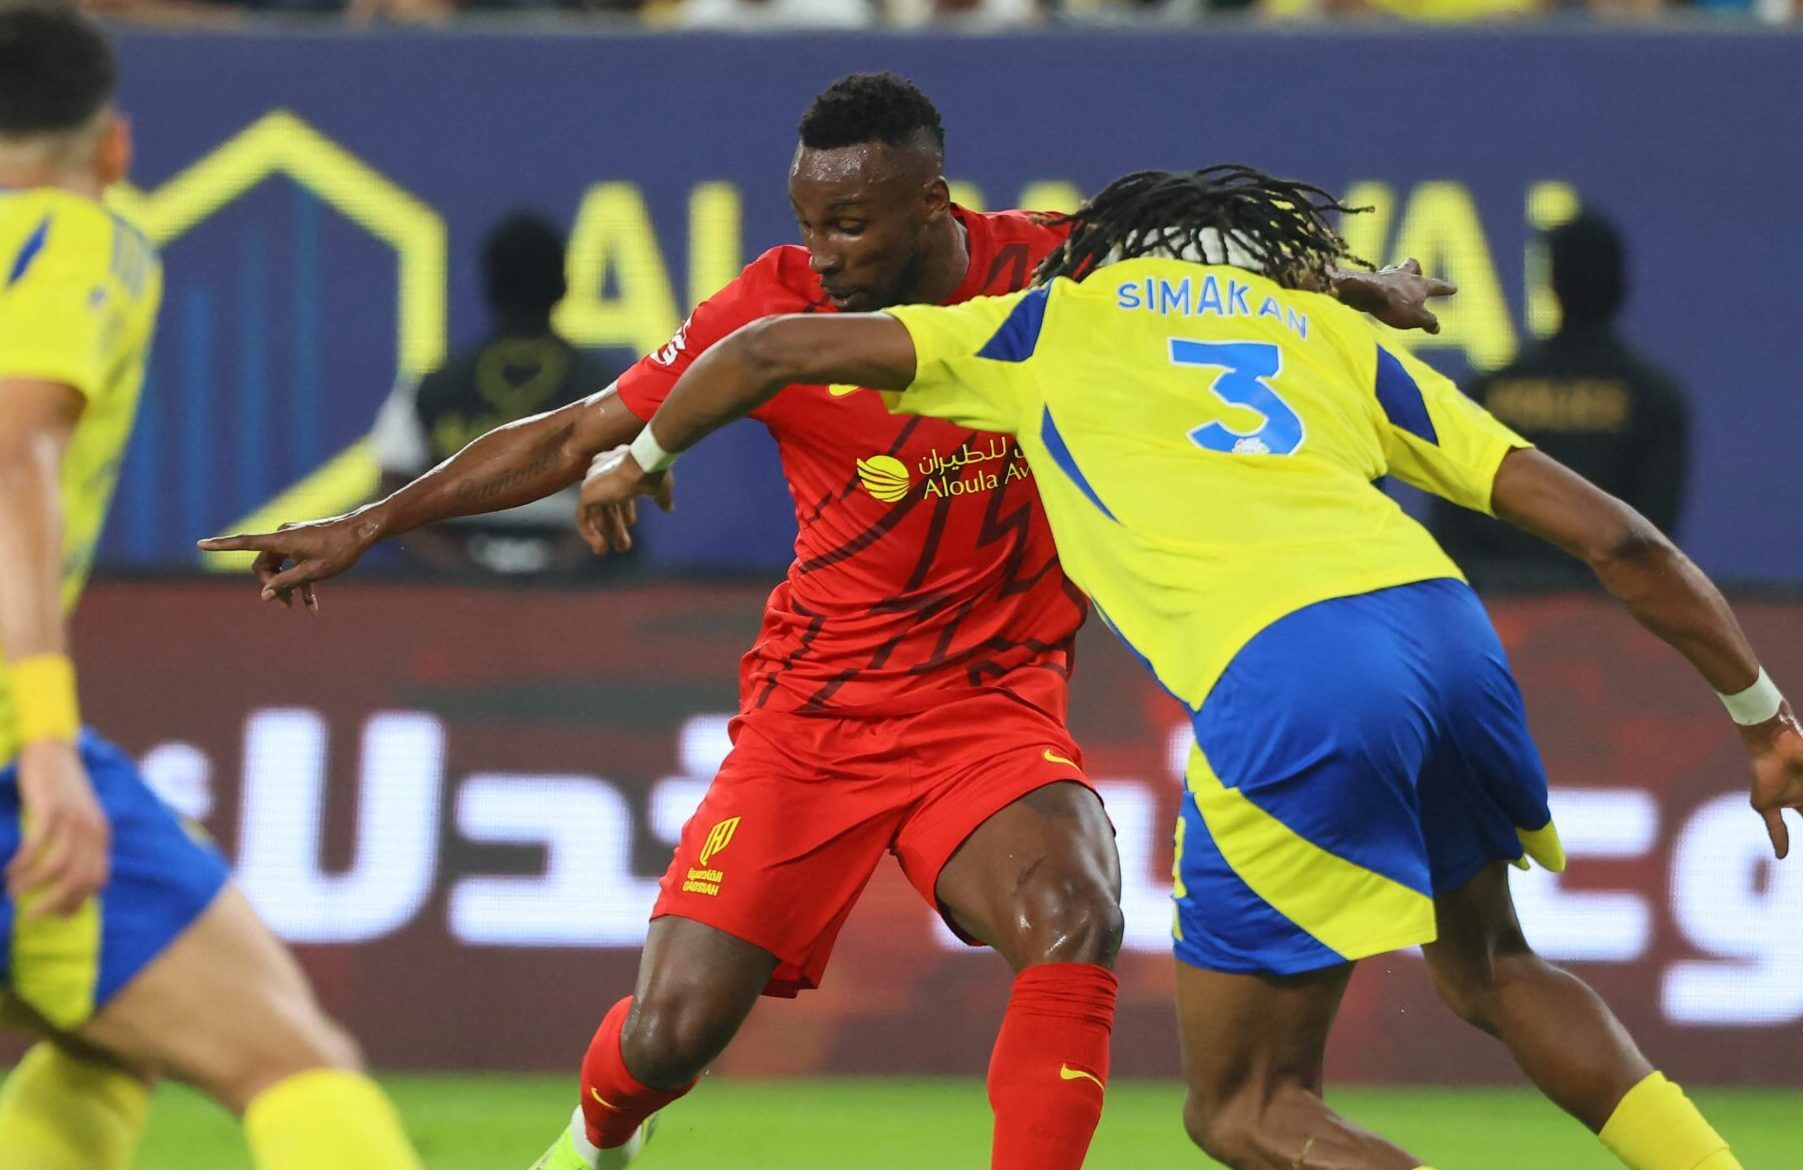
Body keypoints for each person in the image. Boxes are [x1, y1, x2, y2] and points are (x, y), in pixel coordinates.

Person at [196, 76, 1449, 1170]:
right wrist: (370, 522)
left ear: (931, 204)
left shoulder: (1058, 270)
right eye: (807, 222)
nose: (824, 252)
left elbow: (1222, 283)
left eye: (849, 224)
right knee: (668, 1036)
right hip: (814, 717)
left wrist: (1361, 286)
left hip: (991, 706)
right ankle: (596, 1142)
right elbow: (580, 431)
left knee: (1075, 916)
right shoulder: (771, 309)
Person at [579, 164, 1803, 1170]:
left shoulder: (1046, 326)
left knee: (1243, 1108)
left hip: (1295, 674)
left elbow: (767, 350)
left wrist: (639, 455)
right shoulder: (1327, 340)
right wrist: (1762, 720)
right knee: (1494, 967)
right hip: (1444, 635)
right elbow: (1620, 538)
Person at [0, 7, 421, 1169]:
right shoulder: (76, 233)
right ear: (114, 148)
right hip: (10, 752)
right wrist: (46, 740)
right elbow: (13, 458)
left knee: (105, 1040)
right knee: (287, 1061)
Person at [1431, 209, 1688, 590]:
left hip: (1499, 609)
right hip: (1608, 612)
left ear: (1551, 283)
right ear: (1621, 284)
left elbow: (1451, 530)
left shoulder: (1486, 393)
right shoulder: (1654, 400)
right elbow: (1649, 541)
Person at [369, 211, 621, 579]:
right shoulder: (602, 387)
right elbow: (631, 482)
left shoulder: (436, 386)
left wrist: (460, 572)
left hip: (455, 592)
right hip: (572, 591)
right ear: (564, 285)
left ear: (488, 288)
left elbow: (391, 486)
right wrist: (557, 571)